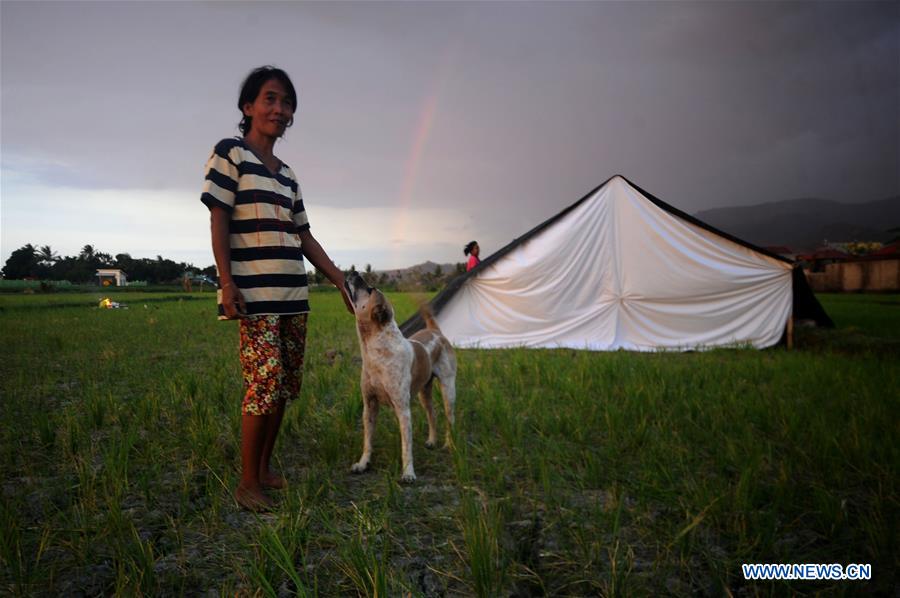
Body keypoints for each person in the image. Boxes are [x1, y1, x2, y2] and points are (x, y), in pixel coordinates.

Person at [201, 66, 352, 511]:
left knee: (284, 386)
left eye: (286, 103)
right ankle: (247, 482)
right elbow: (218, 218)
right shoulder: (230, 154)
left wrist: (340, 280)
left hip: (293, 298)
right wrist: (226, 283)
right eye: (270, 99)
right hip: (255, 298)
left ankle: (265, 468)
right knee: (262, 385)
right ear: (248, 107)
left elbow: (303, 235)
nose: (279, 109)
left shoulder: (287, 175)